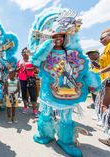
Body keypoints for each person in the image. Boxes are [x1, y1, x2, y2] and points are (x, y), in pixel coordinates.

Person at [29, 8, 101, 157]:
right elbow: (35, 61)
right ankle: (46, 134)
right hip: (48, 90)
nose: (58, 39)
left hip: (68, 90)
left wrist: (92, 82)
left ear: (65, 38)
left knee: (66, 116)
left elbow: (84, 68)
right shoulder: (45, 51)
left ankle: (65, 141)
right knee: (46, 113)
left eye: (61, 36)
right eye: (55, 36)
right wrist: (47, 45)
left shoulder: (72, 53)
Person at [95, 28, 110, 147]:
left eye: (102, 38)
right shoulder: (105, 49)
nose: (100, 40)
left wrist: (100, 71)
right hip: (105, 80)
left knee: (104, 106)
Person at [16, 47, 37, 114]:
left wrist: (29, 69)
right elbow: (17, 70)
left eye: (26, 52)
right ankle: (25, 107)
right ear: (22, 54)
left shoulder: (32, 60)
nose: (24, 53)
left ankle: (34, 110)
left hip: (30, 79)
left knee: (33, 94)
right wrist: (19, 68)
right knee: (24, 94)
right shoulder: (19, 61)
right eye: (23, 52)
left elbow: (35, 68)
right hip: (22, 80)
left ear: (28, 53)